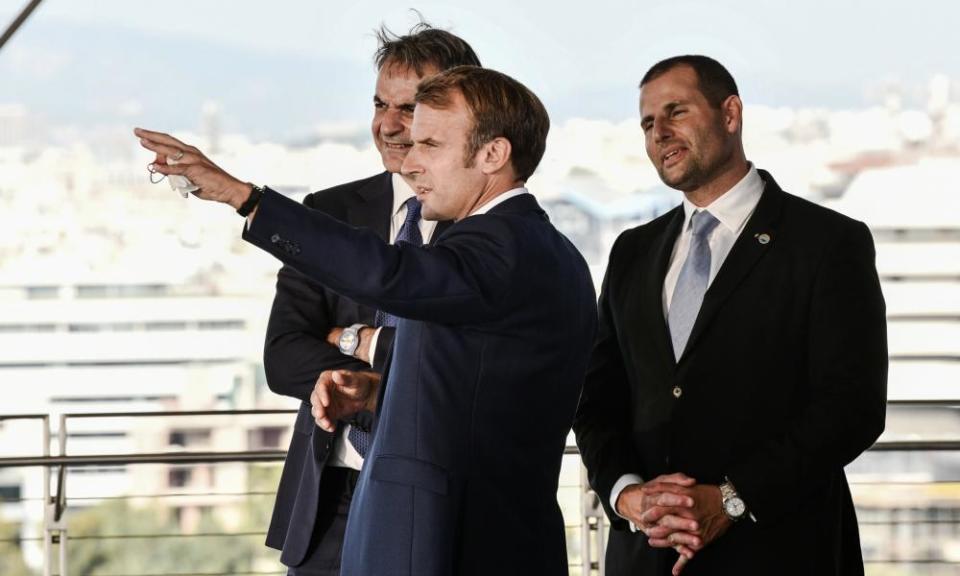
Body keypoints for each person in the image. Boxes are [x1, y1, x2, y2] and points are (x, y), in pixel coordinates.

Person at [135, 64, 597, 575]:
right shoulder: (531, 249)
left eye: (430, 145)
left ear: (493, 154)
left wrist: (244, 197)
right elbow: (485, 387)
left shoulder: (503, 247)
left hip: (452, 545)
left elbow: (389, 274)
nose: (410, 164)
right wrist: (379, 393)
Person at [573, 55, 887, 576]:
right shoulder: (632, 250)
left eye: (676, 112)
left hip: (780, 553)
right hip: (646, 556)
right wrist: (627, 496)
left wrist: (731, 499)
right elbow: (596, 400)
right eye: (648, 123)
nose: (660, 133)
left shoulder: (828, 243)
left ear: (731, 113)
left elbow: (851, 408)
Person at [252, 22, 480, 576]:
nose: (387, 124)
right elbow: (283, 357)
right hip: (329, 503)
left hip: (443, 504)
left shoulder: (485, 224)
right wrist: (376, 364)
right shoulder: (327, 213)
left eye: (409, 108)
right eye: (380, 103)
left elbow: (470, 362)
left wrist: (355, 341)